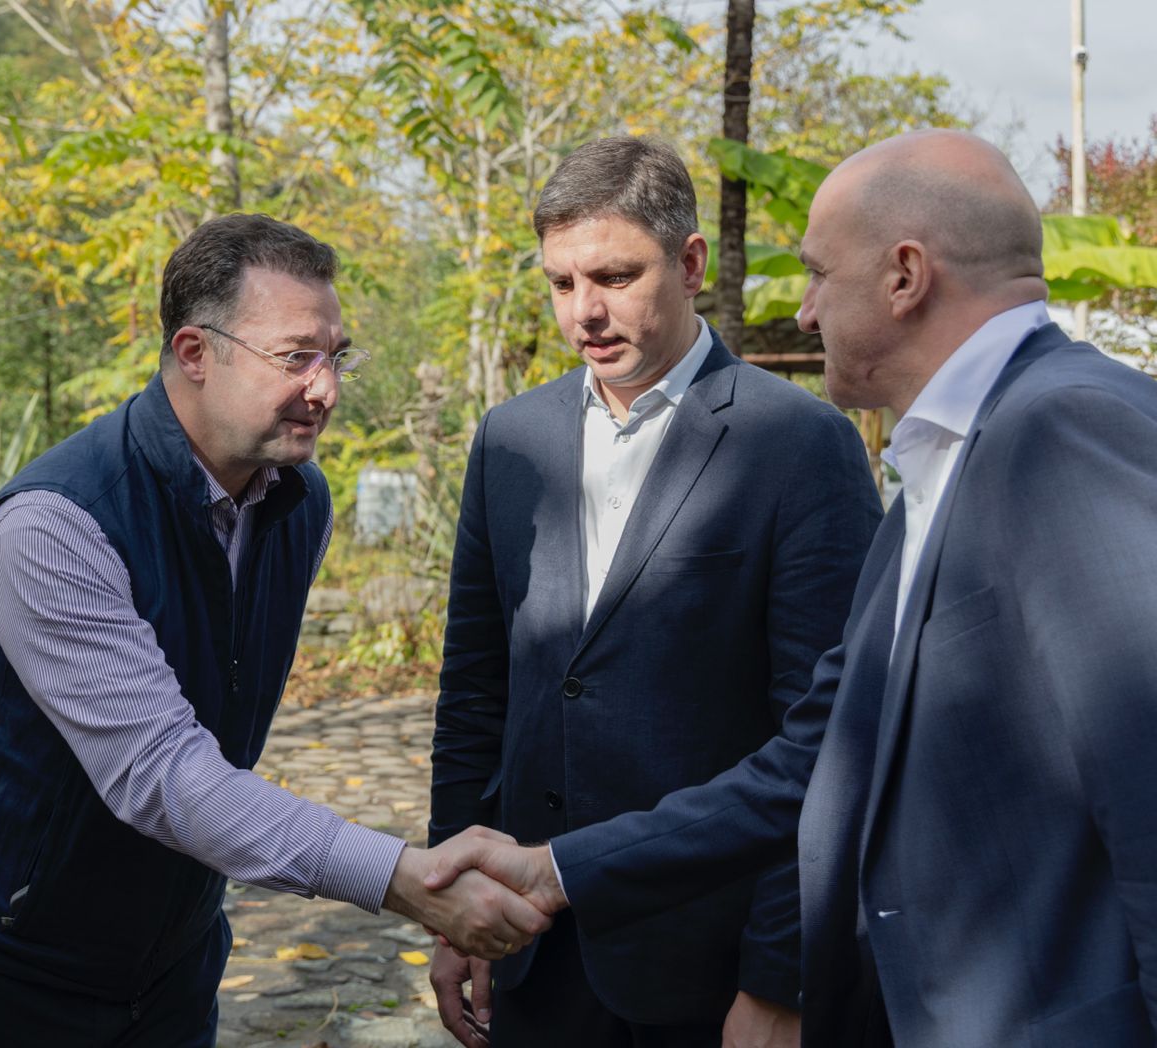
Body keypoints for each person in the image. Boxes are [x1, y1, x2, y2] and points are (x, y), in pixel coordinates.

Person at [425, 129, 1157, 1046]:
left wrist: (781, 973)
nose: (804, 313)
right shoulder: (939, 467)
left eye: (819, 274)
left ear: (904, 276)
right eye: (562, 283)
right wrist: (537, 877)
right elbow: (820, 756)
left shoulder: (1064, 426)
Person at [0, 214, 553, 1047]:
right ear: (194, 353)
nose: (327, 390)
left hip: (170, 959)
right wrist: (403, 877)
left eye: (337, 357)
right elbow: (162, 770)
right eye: (295, 357)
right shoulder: (52, 525)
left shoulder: (299, 503)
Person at [427, 136, 881, 1048]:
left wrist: (780, 976)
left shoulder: (800, 444)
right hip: (532, 953)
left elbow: (830, 742)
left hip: (708, 966)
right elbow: (475, 693)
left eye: (615, 276)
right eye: (561, 283)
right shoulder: (510, 440)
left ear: (691, 264)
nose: (584, 312)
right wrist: (453, 910)